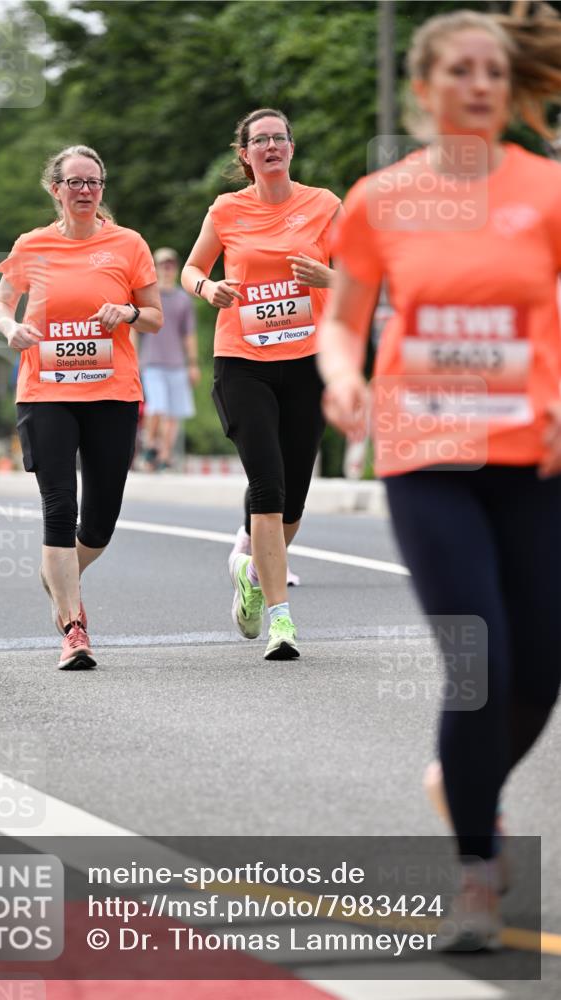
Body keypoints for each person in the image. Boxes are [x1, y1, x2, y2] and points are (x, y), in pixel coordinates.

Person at [319, 7, 561, 949]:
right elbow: (345, 319)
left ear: (508, 90)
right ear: (422, 90)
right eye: (457, 70)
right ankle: (476, 871)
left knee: (540, 665)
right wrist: (341, 378)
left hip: (531, 454)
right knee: (479, 661)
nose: (476, 85)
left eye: (491, 73)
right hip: (426, 453)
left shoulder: (544, 190)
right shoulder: (379, 198)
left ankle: (462, 783)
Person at [0, 144, 162, 669]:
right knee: (59, 507)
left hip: (112, 393)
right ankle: (74, 627)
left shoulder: (128, 244)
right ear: (55, 189)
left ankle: (58, 572)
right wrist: (12, 328)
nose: (85, 191)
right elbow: (1, 303)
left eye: (94, 182)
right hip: (47, 393)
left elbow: (153, 316)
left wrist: (128, 311)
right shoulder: (33, 245)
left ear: (101, 190)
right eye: (75, 182)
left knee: (100, 521)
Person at [182, 108, 341, 660]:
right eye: (260, 140)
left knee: (292, 498)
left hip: (307, 364)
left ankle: (250, 571)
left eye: (279, 138)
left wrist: (331, 278)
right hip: (243, 361)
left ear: (291, 149)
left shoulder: (324, 205)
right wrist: (208, 288)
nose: (271, 146)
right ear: (245, 155)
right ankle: (281, 621)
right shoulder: (227, 209)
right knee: (267, 488)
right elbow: (190, 269)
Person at [136, 247, 199, 471]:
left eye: (170, 264)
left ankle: (164, 455)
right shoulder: (148, 296)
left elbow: (188, 334)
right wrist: (134, 360)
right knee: (158, 406)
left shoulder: (183, 299)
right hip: (152, 361)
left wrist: (192, 364)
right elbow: (135, 328)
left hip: (177, 363)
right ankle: (150, 444)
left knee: (174, 413)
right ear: (155, 267)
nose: (167, 268)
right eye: (163, 264)